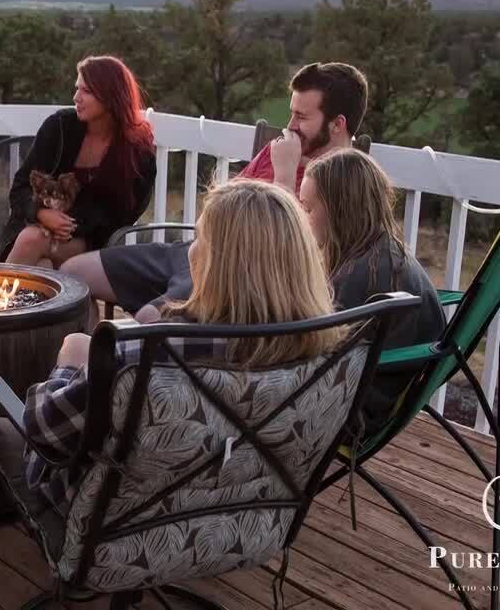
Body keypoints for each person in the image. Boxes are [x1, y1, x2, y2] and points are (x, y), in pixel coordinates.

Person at [22, 180, 347, 510]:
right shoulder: (330, 354)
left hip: (117, 523)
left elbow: (46, 433)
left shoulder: (146, 354)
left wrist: (67, 364)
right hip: (242, 520)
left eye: (199, 238)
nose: (190, 249)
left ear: (218, 265)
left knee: (8, 419)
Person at [60, 61, 368, 324]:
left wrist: (285, 176)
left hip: (227, 270)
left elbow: (290, 259)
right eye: (291, 113)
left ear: (337, 124)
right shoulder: (282, 148)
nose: (289, 125)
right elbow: (219, 206)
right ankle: (75, 371)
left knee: (146, 321)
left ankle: (103, 381)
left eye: (301, 117)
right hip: (192, 250)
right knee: (71, 275)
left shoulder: (343, 183)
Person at [299, 148, 445, 432]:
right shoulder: (385, 254)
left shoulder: (362, 275)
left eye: (308, 208)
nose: (303, 218)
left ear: (341, 209)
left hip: (350, 413)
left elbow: (311, 354)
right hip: (374, 398)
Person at [1, 55, 157, 268]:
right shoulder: (59, 128)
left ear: (111, 96)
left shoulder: (137, 150)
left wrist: (69, 224)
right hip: (30, 226)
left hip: (89, 242)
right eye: (77, 88)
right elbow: (20, 189)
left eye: (86, 91)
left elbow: (124, 215)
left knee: (33, 242)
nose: (76, 97)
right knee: (43, 264)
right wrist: (41, 213)